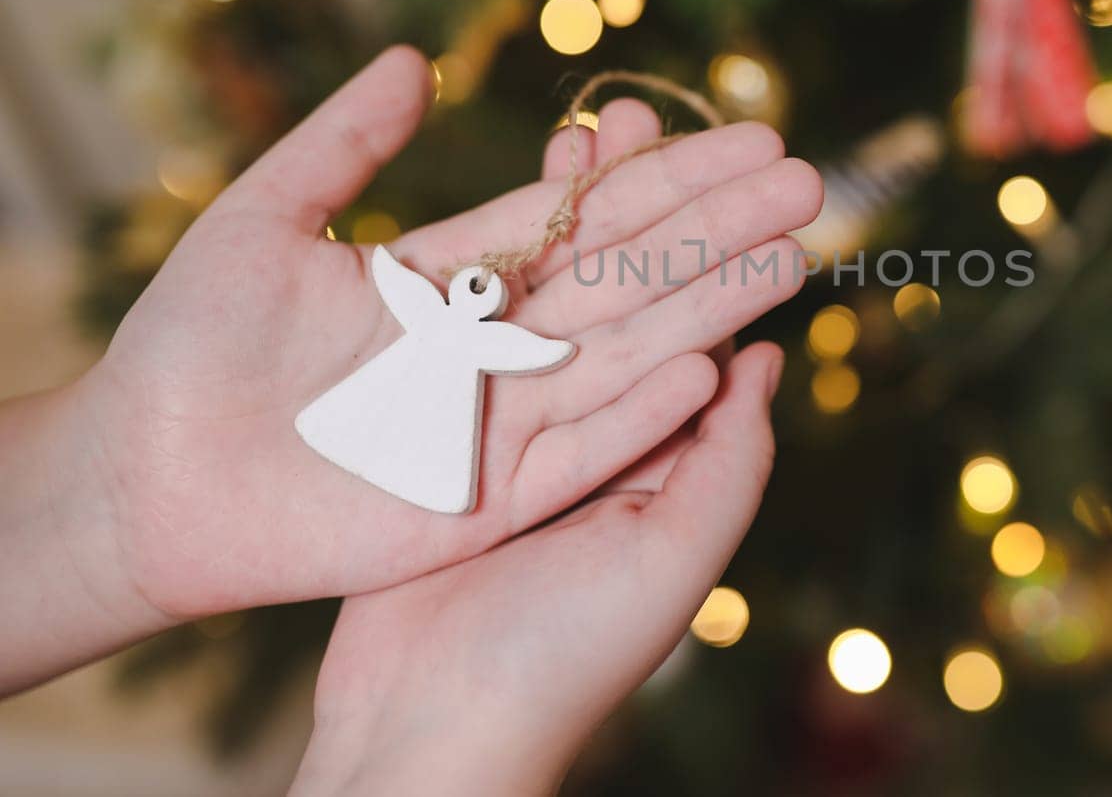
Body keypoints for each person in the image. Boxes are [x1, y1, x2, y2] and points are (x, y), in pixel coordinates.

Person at [0, 47, 824, 794]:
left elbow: (519, 355)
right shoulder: (440, 315)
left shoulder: (464, 325)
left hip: (431, 411)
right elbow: (421, 298)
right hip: (391, 399)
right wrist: (113, 482)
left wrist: (109, 491)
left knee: (419, 434)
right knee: (384, 420)